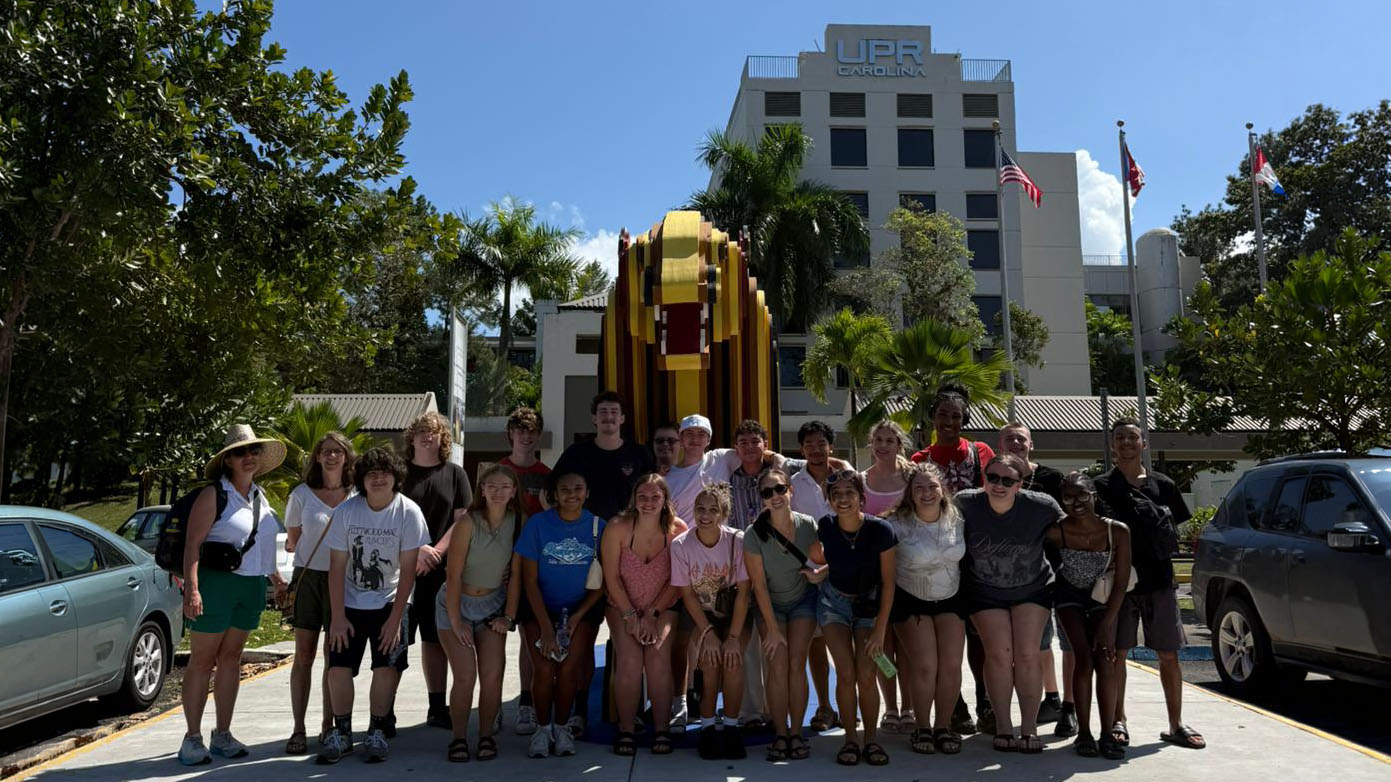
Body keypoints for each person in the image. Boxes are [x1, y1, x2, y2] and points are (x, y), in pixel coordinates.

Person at [177, 425, 289, 766]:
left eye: (253, 452)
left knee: (232, 658)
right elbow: (192, 545)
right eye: (241, 452)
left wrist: (276, 579)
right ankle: (192, 738)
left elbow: (260, 544)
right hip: (217, 584)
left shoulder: (260, 496)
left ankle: (222, 733)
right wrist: (192, 589)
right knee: (202, 661)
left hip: (251, 585)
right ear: (228, 460)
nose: (249, 457)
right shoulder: (214, 495)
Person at [1094, 418, 1205, 751]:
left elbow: (1177, 531)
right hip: (1120, 583)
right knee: (1117, 654)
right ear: (1112, 444)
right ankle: (1118, 721)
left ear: (1144, 443)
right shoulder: (1099, 486)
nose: (1126, 443)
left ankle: (1175, 724)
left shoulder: (1164, 485)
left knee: (1169, 655)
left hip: (1159, 581)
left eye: (1132, 437)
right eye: (1120, 438)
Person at [319, 446, 426, 764]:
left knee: (386, 668)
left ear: (396, 478)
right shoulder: (347, 512)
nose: (378, 479)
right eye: (372, 474)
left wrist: (395, 618)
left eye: (385, 473)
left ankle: (377, 730)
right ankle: (343, 732)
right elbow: (337, 567)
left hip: (391, 601)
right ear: (361, 479)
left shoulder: (408, 512)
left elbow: (409, 570)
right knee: (338, 668)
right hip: (349, 603)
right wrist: (337, 616)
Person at [958, 454, 1063, 754]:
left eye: (1008, 480)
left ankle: (1028, 727)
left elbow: (1076, 530)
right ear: (984, 479)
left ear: (1020, 484)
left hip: (1033, 588)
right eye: (993, 478)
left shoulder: (1042, 506)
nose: (999, 485)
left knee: (1028, 653)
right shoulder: (965, 503)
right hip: (984, 590)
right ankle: (1003, 725)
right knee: (999, 654)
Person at [909, 383, 995, 734]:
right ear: (932, 418)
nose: (949, 421)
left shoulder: (979, 452)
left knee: (979, 636)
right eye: (942, 415)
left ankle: (985, 701)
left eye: (956, 416)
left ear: (965, 419)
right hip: (936, 559)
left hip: (976, 556)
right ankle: (954, 704)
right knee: (947, 641)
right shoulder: (919, 461)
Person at [437, 464, 525, 762]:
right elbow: (453, 575)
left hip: (492, 605)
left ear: (514, 492)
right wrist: (455, 620)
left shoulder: (517, 521)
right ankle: (459, 738)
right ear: (482, 490)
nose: (499, 491)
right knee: (465, 676)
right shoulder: (467, 523)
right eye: (492, 486)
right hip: (455, 603)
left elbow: (515, 573)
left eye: (505, 486)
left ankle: (486, 736)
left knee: (492, 675)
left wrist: (509, 616)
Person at [515, 470, 606, 759]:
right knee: (543, 669)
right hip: (539, 607)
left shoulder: (598, 526)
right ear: (554, 494)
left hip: (581, 608)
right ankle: (543, 729)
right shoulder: (538, 525)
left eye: (578, 488)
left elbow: (602, 582)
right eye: (564, 489)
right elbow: (528, 581)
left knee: (568, 669)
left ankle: (563, 727)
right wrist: (545, 627)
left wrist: (578, 617)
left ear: (587, 492)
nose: (571, 494)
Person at [1046, 472, 1132, 759]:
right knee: (1083, 658)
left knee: (1106, 657)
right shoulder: (1057, 531)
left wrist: (1108, 624)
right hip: (1069, 598)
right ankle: (1083, 732)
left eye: (1082, 494)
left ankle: (1107, 732)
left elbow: (1120, 583)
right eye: (1068, 497)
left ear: (1093, 494)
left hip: (1103, 599)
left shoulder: (1117, 531)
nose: (1076, 502)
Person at [998, 422, 1075, 735]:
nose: (1016, 443)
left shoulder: (1052, 479)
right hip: (1028, 578)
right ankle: (1052, 697)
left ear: (1031, 443)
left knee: (1069, 641)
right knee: (1039, 644)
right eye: (1010, 439)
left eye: (1021, 438)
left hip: (1063, 570)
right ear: (1000, 445)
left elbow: (1071, 521)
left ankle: (1069, 707)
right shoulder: (997, 479)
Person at [885, 462, 967, 755]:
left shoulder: (957, 518)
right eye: (919, 487)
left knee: (951, 666)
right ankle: (922, 726)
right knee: (925, 666)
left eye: (932, 486)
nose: (927, 493)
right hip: (910, 601)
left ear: (942, 489)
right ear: (909, 493)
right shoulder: (894, 524)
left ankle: (943, 726)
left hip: (951, 597)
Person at [601, 475, 686, 756]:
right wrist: (630, 615)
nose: (648, 503)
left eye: (655, 497)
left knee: (658, 656)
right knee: (629, 660)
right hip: (622, 604)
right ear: (634, 500)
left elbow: (678, 579)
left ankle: (661, 728)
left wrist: (652, 614)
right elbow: (611, 577)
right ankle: (626, 728)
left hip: (662, 605)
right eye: (643, 497)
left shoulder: (677, 530)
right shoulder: (617, 528)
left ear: (665, 501)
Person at [817, 470, 897, 767]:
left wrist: (880, 630)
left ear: (861, 497)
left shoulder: (881, 530)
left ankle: (871, 739)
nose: (842, 499)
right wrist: (818, 572)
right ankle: (850, 738)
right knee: (846, 673)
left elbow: (889, 582)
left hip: (869, 607)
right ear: (829, 500)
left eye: (849, 492)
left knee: (867, 674)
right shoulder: (825, 525)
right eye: (836, 494)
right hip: (832, 604)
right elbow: (824, 559)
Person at [283, 432, 356, 755]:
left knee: (334, 657)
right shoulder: (301, 494)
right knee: (304, 655)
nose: (331, 457)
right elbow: (293, 540)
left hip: (345, 580)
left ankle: (329, 726)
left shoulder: (357, 494)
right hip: (309, 578)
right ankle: (299, 728)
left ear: (347, 457)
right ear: (316, 457)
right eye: (325, 451)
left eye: (337, 452)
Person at [400, 411, 474, 730]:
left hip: (439, 570)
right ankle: (383, 712)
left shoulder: (456, 474)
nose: (427, 436)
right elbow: (386, 515)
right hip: (400, 568)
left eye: (434, 432)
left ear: (444, 438)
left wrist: (434, 552)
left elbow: (462, 520)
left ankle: (436, 706)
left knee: (434, 640)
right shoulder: (398, 474)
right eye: (421, 431)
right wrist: (415, 550)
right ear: (411, 437)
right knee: (394, 641)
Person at [744, 468, 823, 762]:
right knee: (777, 664)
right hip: (770, 606)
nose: (774, 496)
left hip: (803, 600)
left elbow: (820, 564)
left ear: (790, 490)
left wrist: (819, 576)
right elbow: (759, 586)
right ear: (762, 500)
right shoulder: (753, 535)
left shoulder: (807, 525)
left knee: (795, 664)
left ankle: (796, 734)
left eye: (779, 489)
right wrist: (773, 630)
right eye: (767, 492)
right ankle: (780, 733)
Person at [671, 483, 752, 761]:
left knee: (732, 661)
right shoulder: (681, 545)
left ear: (723, 513)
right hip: (701, 615)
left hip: (733, 614)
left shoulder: (737, 541)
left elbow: (743, 593)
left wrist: (731, 637)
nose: (705, 515)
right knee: (708, 662)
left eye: (713, 510)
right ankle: (707, 727)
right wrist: (707, 632)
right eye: (700, 509)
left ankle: (730, 727)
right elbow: (687, 595)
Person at [860, 420, 913, 734]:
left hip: (908, 573)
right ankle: (890, 707)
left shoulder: (912, 477)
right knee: (881, 648)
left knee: (907, 648)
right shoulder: (861, 479)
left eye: (889, 440)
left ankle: (908, 707)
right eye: (877, 440)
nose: (882, 445)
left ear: (899, 444)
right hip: (872, 578)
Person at [498, 407, 548, 736]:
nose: (525, 436)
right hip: (499, 565)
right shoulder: (497, 470)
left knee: (530, 639)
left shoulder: (547, 474)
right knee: (494, 639)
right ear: (511, 435)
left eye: (531, 431)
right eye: (520, 431)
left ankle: (527, 703)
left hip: (534, 566)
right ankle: (493, 703)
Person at [788, 421, 839, 733]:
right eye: (809, 445)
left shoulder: (847, 478)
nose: (816, 450)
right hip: (812, 575)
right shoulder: (793, 485)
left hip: (847, 574)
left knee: (856, 646)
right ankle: (824, 705)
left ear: (830, 446)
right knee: (817, 647)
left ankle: (856, 704)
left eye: (821, 443)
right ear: (801, 449)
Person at [552, 391, 656, 520]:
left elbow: (654, 492)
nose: (609, 416)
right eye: (603, 412)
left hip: (628, 529)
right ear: (594, 418)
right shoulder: (576, 453)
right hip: (586, 531)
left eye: (614, 412)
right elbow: (549, 489)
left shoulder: (640, 453)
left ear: (622, 418)